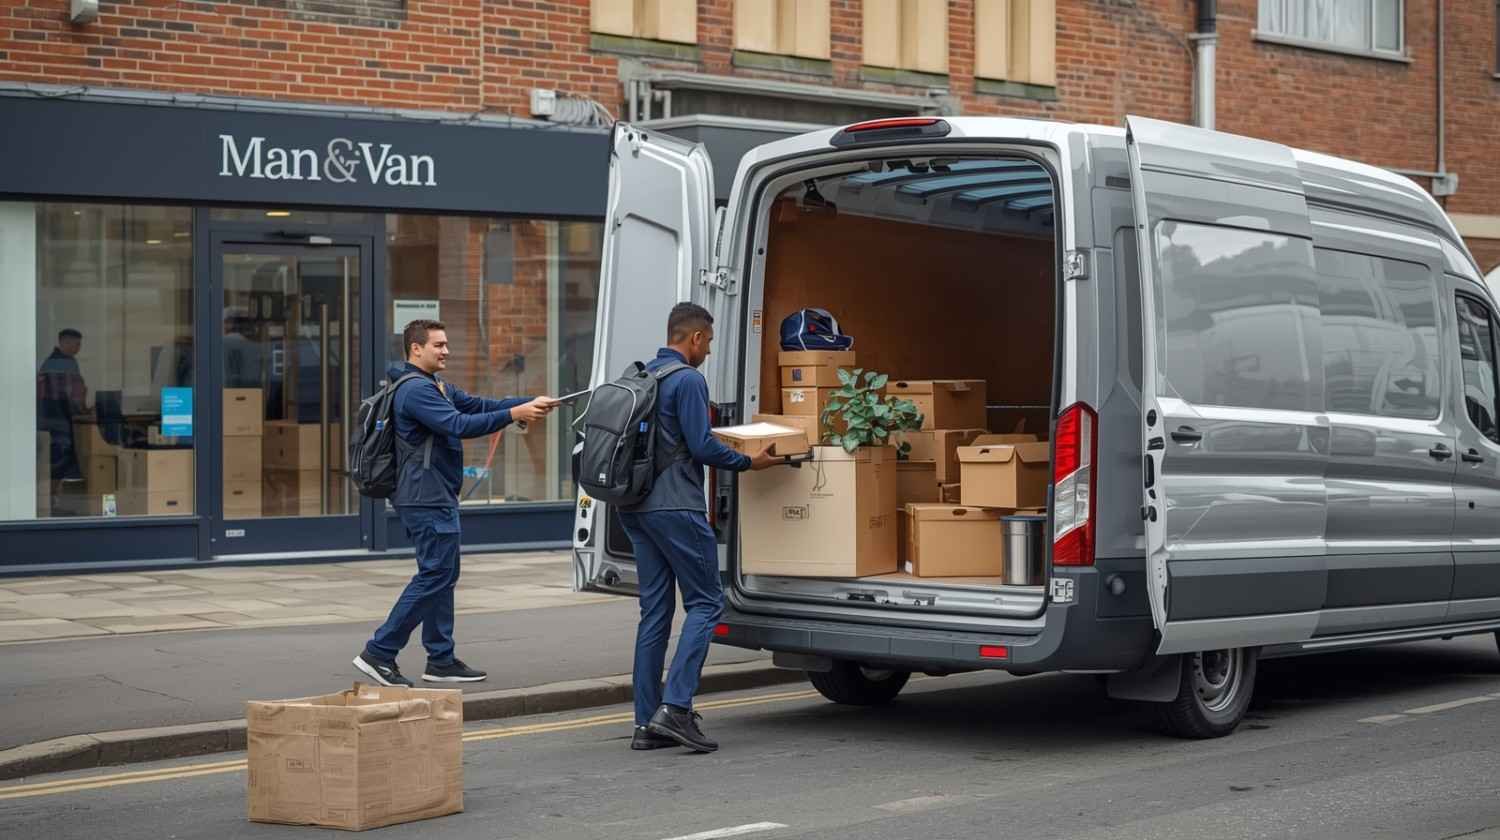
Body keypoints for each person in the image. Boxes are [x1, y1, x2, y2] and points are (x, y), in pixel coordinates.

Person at [354, 319, 559, 687]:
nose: (446, 350)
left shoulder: (436, 385)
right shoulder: (416, 390)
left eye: (447, 344)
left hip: (432, 494)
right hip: (425, 496)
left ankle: (440, 659)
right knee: (436, 573)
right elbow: (458, 425)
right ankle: (379, 652)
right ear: (415, 349)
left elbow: (479, 404)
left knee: (441, 575)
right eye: (438, 345)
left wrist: (526, 403)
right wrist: (515, 416)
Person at [623, 303, 785, 753]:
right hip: (676, 506)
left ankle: (645, 723)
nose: (709, 351)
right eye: (709, 342)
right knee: (707, 602)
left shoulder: (643, 376)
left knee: (654, 613)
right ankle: (675, 709)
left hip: (635, 507)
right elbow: (701, 446)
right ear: (694, 339)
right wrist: (750, 462)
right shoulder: (688, 380)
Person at [36, 328, 89, 487]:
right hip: (59, 419)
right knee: (59, 460)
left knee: (51, 461)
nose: (78, 348)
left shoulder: (49, 361)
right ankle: (52, 501)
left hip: (46, 418)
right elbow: (74, 394)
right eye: (76, 344)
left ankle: (51, 501)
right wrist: (84, 410)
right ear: (64, 342)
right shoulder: (66, 363)